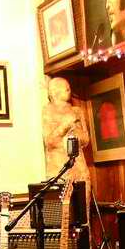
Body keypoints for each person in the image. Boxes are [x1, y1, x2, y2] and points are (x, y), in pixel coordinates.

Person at [41, 77, 91, 225]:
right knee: (60, 219)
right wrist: (65, 124)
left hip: (80, 169)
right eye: (66, 89)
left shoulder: (77, 111)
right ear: (54, 92)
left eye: (69, 88)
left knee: (83, 217)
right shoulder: (47, 111)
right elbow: (50, 142)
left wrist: (75, 132)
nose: (69, 91)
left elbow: (86, 140)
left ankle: (84, 240)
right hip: (59, 170)